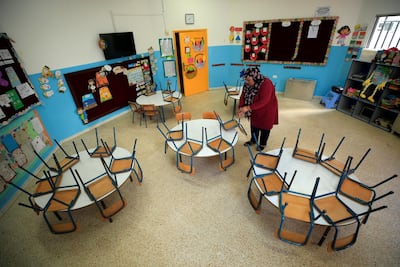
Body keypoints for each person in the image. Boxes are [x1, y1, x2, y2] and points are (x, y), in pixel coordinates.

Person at [238, 67, 278, 151]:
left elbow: (264, 101)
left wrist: (248, 107)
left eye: (248, 80)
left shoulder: (266, 83)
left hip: (267, 110)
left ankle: (263, 144)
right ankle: (253, 140)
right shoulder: (248, 83)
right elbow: (243, 96)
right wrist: (241, 108)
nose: (247, 82)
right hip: (254, 109)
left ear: (255, 77)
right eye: (246, 80)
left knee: (264, 128)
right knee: (254, 126)